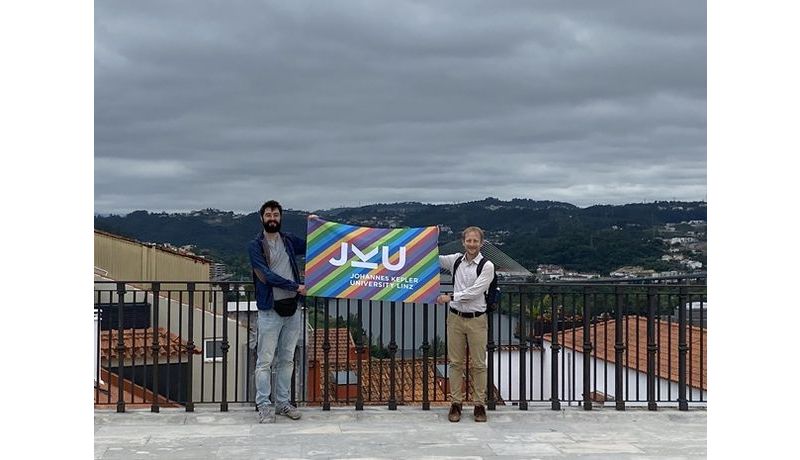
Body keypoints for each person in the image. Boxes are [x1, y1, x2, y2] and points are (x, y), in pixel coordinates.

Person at [247, 200, 310, 423]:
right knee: (264, 361)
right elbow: (266, 276)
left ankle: (283, 403)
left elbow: (315, 245)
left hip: (292, 309)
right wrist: (296, 286)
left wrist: (317, 225)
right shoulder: (256, 246)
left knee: (287, 360)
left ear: (280, 217)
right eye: (268, 215)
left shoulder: (289, 241)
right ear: (261, 218)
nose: (272, 218)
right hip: (270, 311)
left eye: (275, 214)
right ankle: (264, 405)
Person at [437, 226, 494, 423]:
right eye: (468, 241)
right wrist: (428, 236)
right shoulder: (455, 261)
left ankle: (479, 405)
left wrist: (451, 296)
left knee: (479, 364)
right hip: (455, 318)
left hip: (477, 319)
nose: (471, 244)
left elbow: (476, 291)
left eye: (475, 241)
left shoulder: (487, 266)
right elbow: (430, 257)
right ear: (463, 242)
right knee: (455, 363)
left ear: (481, 243)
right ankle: (456, 404)